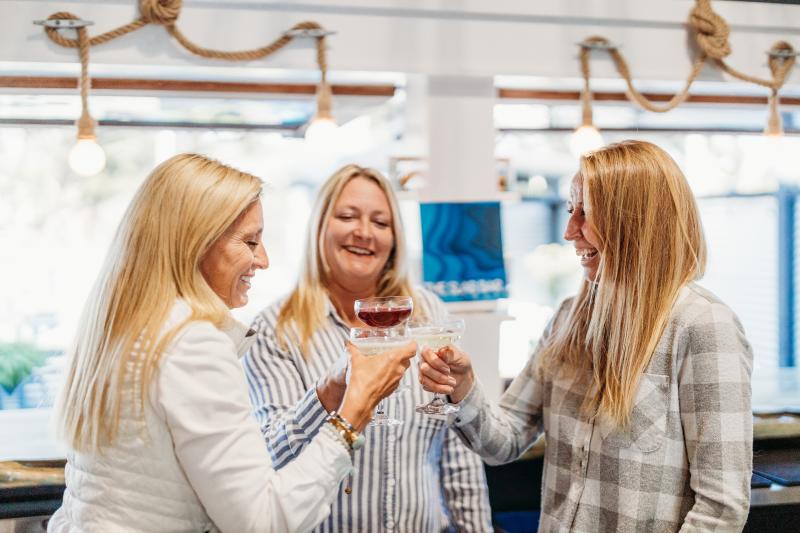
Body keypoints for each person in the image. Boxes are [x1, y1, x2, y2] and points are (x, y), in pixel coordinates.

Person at [48, 154, 416, 533]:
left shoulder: (124, 322)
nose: (264, 260)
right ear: (196, 242)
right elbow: (264, 522)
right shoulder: (192, 342)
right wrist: (353, 414)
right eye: (250, 241)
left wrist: (326, 394)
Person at [420, 140, 753, 532]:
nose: (568, 231)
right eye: (569, 211)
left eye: (586, 213)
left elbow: (720, 510)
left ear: (635, 220)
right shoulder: (567, 319)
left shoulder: (704, 326)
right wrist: (463, 387)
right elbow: (503, 443)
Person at [242, 164, 492, 532]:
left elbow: (457, 452)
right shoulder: (275, 328)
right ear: (320, 226)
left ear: (395, 238)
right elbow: (273, 455)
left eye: (381, 222)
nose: (364, 233)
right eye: (347, 216)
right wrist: (330, 395)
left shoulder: (426, 313)